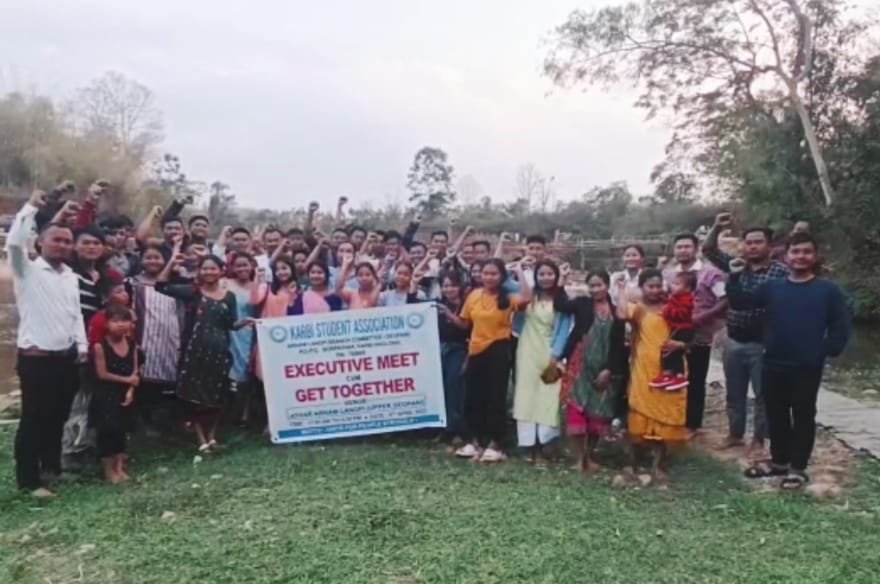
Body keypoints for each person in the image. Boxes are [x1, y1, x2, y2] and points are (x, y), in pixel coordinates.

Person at [729, 233, 851, 490]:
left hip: (807, 365)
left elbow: (840, 324)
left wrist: (826, 350)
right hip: (773, 361)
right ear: (786, 255)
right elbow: (741, 303)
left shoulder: (827, 290)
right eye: (795, 252)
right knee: (776, 414)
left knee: (803, 415)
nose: (800, 257)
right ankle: (779, 462)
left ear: (815, 256)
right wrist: (734, 276)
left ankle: (798, 468)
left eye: (806, 252)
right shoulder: (773, 287)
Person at [6, 191, 87, 498]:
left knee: (58, 416)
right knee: (33, 419)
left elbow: (75, 314)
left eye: (67, 241)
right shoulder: (26, 270)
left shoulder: (70, 277)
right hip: (36, 359)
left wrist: (82, 347)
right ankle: (29, 481)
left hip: (66, 358)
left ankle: (52, 468)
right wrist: (30, 208)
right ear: (40, 242)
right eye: (56, 240)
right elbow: (14, 243)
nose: (63, 245)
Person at [703, 213, 789, 452]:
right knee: (734, 392)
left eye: (758, 242)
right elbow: (709, 250)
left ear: (769, 246)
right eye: (749, 242)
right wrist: (716, 227)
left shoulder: (781, 273)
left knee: (763, 395)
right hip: (734, 340)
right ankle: (735, 434)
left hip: (763, 343)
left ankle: (759, 440)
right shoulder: (736, 266)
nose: (752, 246)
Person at [156, 254, 252, 452]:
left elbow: (229, 324)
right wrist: (172, 259)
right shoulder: (193, 292)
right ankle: (201, 440)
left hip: (219, 352)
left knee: (218, 395)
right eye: (205, 268)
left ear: (221, 271)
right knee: (195, 395)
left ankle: (212, 437)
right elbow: (161, 286)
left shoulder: (229, 296)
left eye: (213, 268)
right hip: (195, 352)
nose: (209, 272)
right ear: (199, 271)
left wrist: (243, 323)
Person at [447, 259, 532, 463]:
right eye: (485, 273)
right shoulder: (474, 295)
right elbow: (465, 323)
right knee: (473, 396)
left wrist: (519, 272)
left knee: (496, 396)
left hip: (498, 349)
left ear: (501, 277)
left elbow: (527, 299)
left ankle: (496, 443)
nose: (489, 277)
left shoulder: (507, 297)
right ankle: (474, 440)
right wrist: (448, 315)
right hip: (476, 350)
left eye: (494, 274)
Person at [616, 269, 689, 483]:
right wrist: (622, 289)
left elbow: (691, 334)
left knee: (665, 412)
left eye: (658, 286)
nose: (655, 290)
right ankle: (632, 462)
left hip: (671, 371)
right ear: (641, 288)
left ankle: (660, 464)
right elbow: (621, 314)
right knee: (638, 412)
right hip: (643, 368)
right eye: (650, 286)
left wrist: (681, 344)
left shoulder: (674, 308)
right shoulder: (638, 310)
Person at [560, 271, 626, 472]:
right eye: (592, 286)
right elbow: (560, 304)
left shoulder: (616, 311)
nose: (595, 289)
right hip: (579, 365)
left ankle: (591, 454)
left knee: (598, 411)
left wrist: (609, 370)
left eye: (599, 285)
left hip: (604, 368)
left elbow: (619, 344)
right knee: (577, 408)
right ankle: (581, 458)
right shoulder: (582, 304)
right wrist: (562, 279)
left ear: (607, 285)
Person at [662, 233, 727, 433]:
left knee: (696, 379)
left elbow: (724, 300)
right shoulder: (669, 274)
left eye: (687, 246)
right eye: (679, 247)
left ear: (696, 248)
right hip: (673, 334)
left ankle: (692, 424)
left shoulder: (711, 274)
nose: (683, 250)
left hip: (700, 336)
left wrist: (703, 316)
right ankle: (671, 418)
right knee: (672, 376)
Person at [512, 261, 572, 464]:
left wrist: (557, 355)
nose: (546, 278)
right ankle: (528, 445)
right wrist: (519, 270)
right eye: (542, 274)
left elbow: (563, 329)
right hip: (527, 352)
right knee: (526, 395)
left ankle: (546, 443)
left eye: (550, 274)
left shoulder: (561, 301)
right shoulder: (530, 297)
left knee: (548, 396)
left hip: (550, 353)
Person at [90, 304, 143, 484]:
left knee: (122, 430)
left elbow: (135, 370)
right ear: (107, 324)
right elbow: (102, 374)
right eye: (115, 321)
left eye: (124, 320)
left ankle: (120, 467)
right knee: (107, 432)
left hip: (126, 394)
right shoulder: (100, 346)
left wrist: (131, 390)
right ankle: (108, 470)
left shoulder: (132, 344)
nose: (120, 324)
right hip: (106, 393)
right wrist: (127, 380)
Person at [435, 271, 470, 447]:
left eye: (453, 285)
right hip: (440, 350)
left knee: (455, 388)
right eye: (445, 286)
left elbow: (468, 328)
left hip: (459, 349)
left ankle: (457, 431)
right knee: (441, 388)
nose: (449, 289)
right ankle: (444, 428)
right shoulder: (437, 305)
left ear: (460, 287)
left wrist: (449, 314)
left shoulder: (466, 305)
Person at [650, 271, 696, 390]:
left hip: (683, 329)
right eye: (673, 283)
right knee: (670, 352)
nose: (673, 286)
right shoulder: (676, 297)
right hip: (678, 328)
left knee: (673, 352)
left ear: (687, 288)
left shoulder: (687, 299)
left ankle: (678, 376)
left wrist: (666, 311)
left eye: (677, 284)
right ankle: (669, 375)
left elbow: (681, 314)